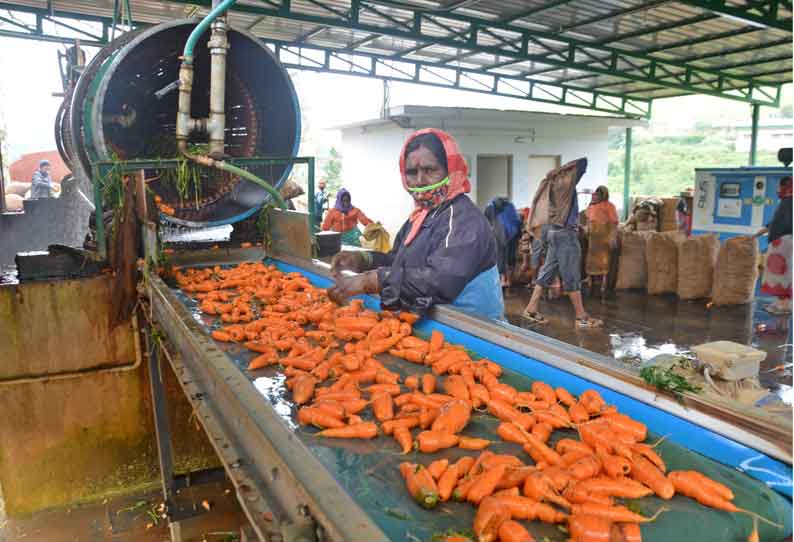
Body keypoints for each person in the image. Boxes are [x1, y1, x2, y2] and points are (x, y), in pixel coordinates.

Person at [327, 128, 504, 321]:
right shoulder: (421, 216)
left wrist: (371, 280)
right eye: (412, 172)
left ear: (450, 170)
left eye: (430, 170)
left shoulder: (463, 220)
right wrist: (363, 260)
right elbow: (399, 262)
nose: (420, 181)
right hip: (436, 321)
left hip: (475, 329)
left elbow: (440, 280)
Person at [522, 158, 602, 328]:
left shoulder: (550, 187)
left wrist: (554, 174)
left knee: (547, 272)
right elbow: (583, 162)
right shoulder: (564, 186)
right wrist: (561, 170)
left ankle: (531, 309)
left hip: (553, 233)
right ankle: (581, 317)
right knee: (572, 275)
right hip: (565, 235)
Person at [755, 176, 792, 315]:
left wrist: (780, 237)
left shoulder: (789, 202)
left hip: (783, 245)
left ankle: (784, 305)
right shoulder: (786, 202)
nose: (777, 190)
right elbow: (774, 222)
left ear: (786, 187)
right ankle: (780, 302)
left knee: (780, 273)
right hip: (780, 243)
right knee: (778, 272)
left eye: (780, 187)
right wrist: (758, 234)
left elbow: (785, 224)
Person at [584, 185, 619, 296]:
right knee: (591, 258)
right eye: (594, 195)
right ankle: (590, 280)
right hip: (593, 237)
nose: (595, 197)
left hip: (604, 236)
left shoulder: (609, 206)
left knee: (604, 259)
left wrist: (613, 237)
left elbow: (614, 223)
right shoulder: (591, 207)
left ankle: (604, 282)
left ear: (603, 195)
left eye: (597, 195)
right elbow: (588, 220)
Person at [485, 197, 522, 288]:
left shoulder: (490, 206)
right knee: (510, 257)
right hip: (513, 232)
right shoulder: (510, 206)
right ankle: (509, 281)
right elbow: (517, 221)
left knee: (500, 256)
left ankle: (502, 280)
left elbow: (486, 223)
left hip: (498, 233)